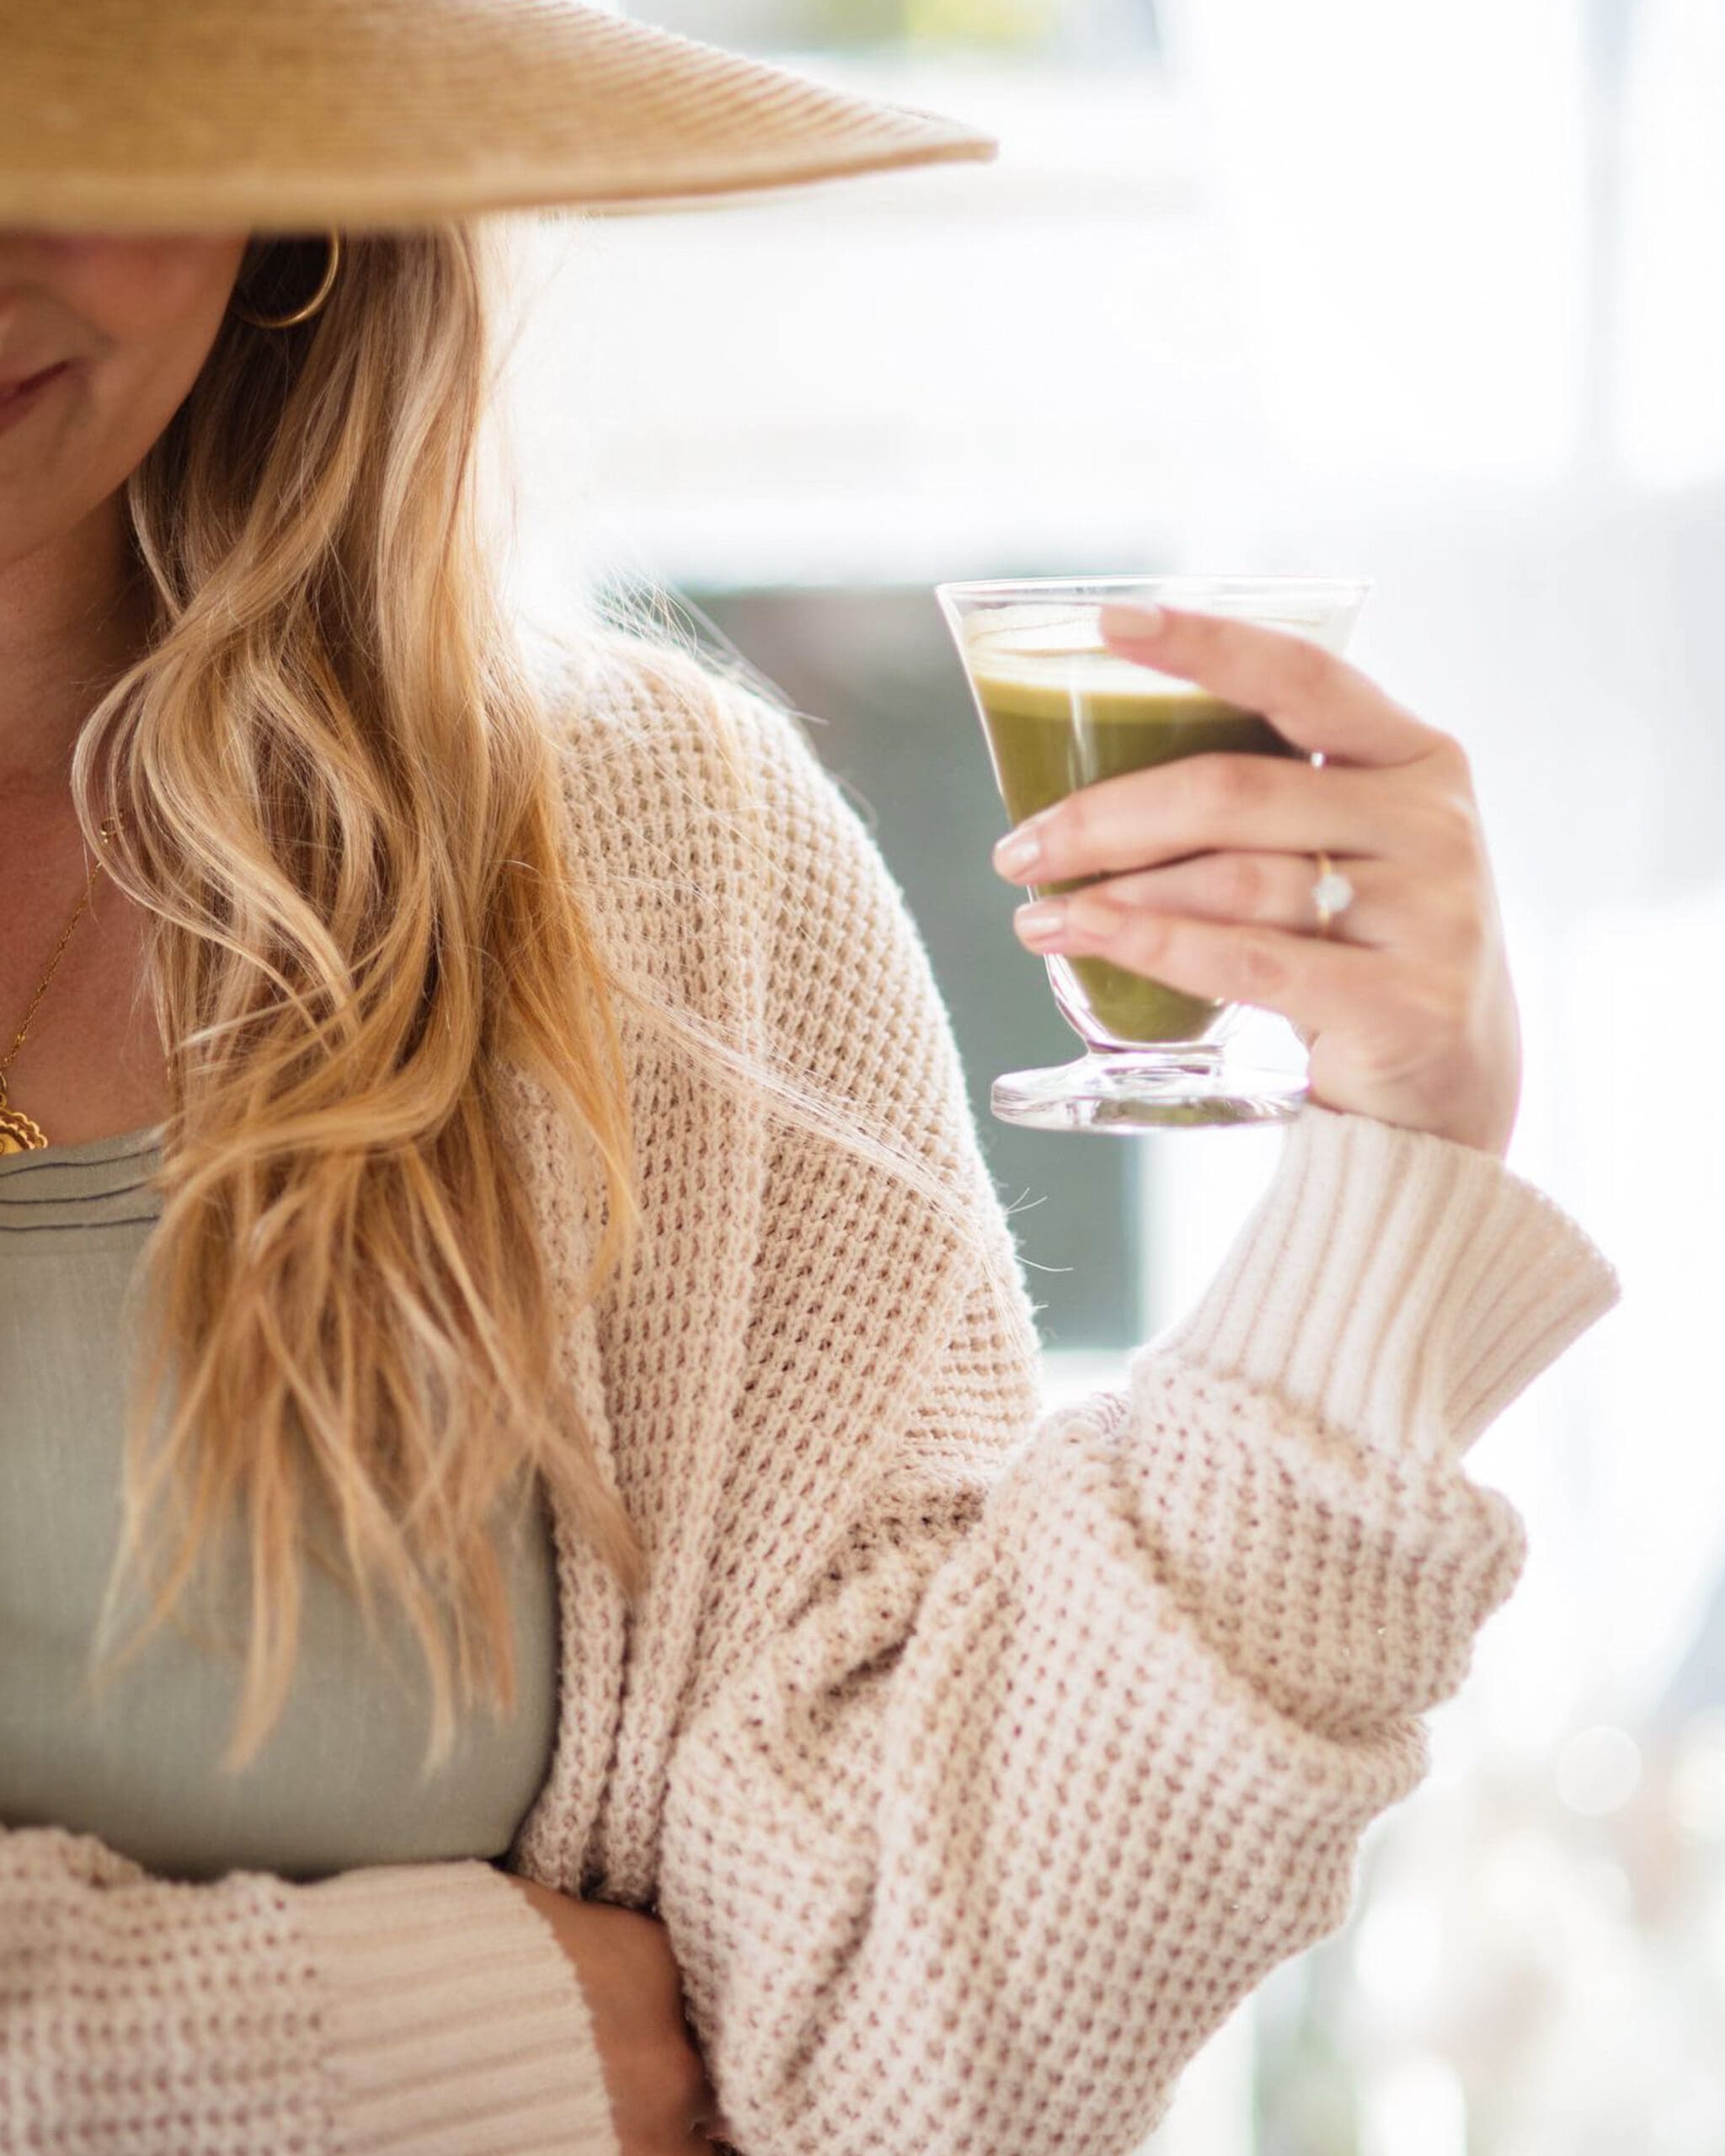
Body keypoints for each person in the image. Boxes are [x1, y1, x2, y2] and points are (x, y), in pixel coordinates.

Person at [0, 4, 1621, 2153]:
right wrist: (393, 2048)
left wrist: (1389, 1200)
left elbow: (907, 2050)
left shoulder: (643, 859)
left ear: (278, 186)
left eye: (82, 126)